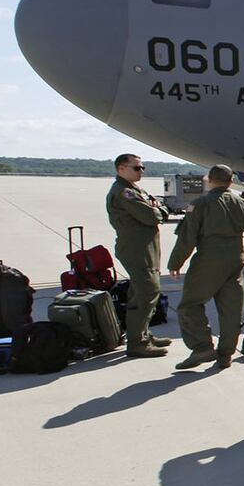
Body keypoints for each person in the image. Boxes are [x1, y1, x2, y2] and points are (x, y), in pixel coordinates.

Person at [167, 164, 244, 370]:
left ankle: (202, 346)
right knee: (231, 311)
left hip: (209, 260)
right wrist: (242, 206)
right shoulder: (239, 202)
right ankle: (225, 355)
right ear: (231, 182)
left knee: (189, 305)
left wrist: (175, 263)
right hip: (235, 260)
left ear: (209, 179)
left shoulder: (200, 204)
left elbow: (188, 237)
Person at [107, 153, 170, 357]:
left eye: (142, 168)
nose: (141, 171)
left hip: (145, 246)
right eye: (136, 168)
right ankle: (137, 343)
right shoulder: (124, 192)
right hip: (136, 248)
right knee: (147, 292)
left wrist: (157, 209)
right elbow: (151, 215)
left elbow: (154, 207)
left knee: (142, 292)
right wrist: (160, 211)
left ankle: (143, 334)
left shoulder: (134, 189)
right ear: (121, 169)